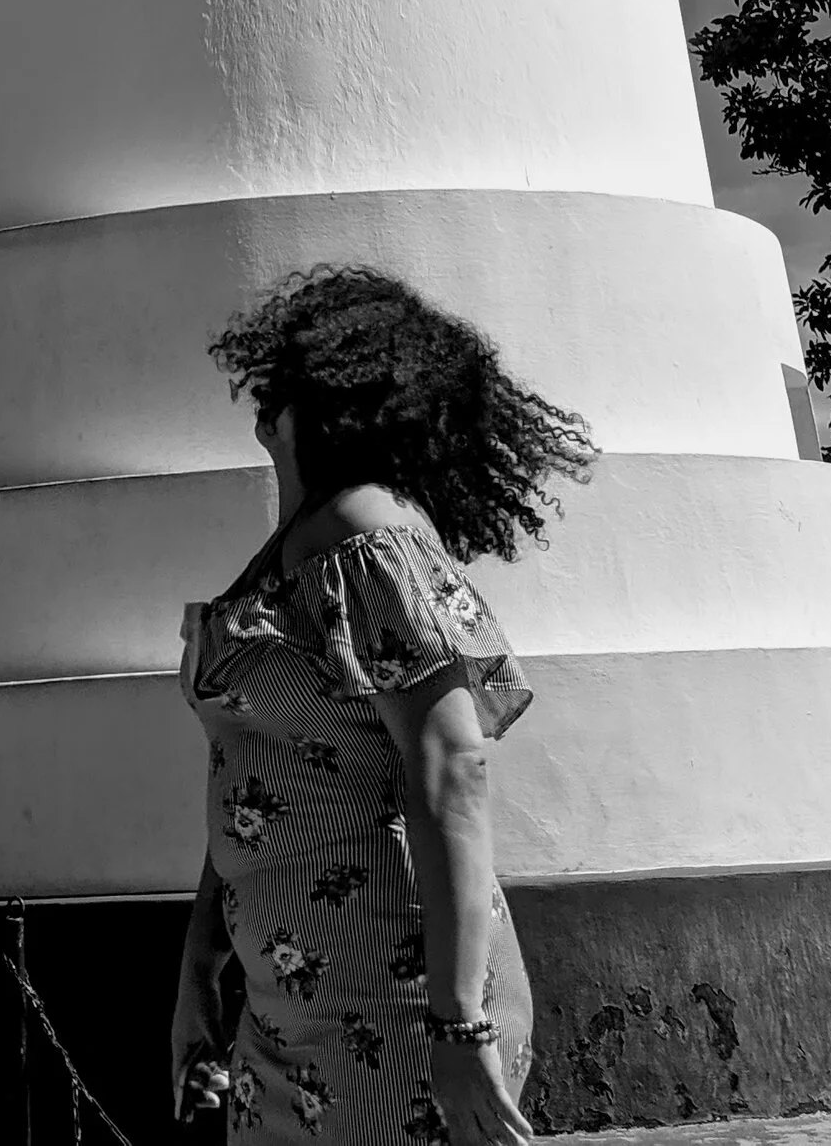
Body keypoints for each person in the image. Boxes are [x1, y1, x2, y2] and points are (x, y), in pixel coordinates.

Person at [173, 264, 595, 1143]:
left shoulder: (370, 535)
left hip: (398, 1006)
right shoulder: (289, 554)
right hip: (283, 1009)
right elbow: (253, 779)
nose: (259, 401)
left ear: (314, 406)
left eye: (279, 383)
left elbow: (453, 765)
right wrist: (198, 973)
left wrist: (456, 1020)